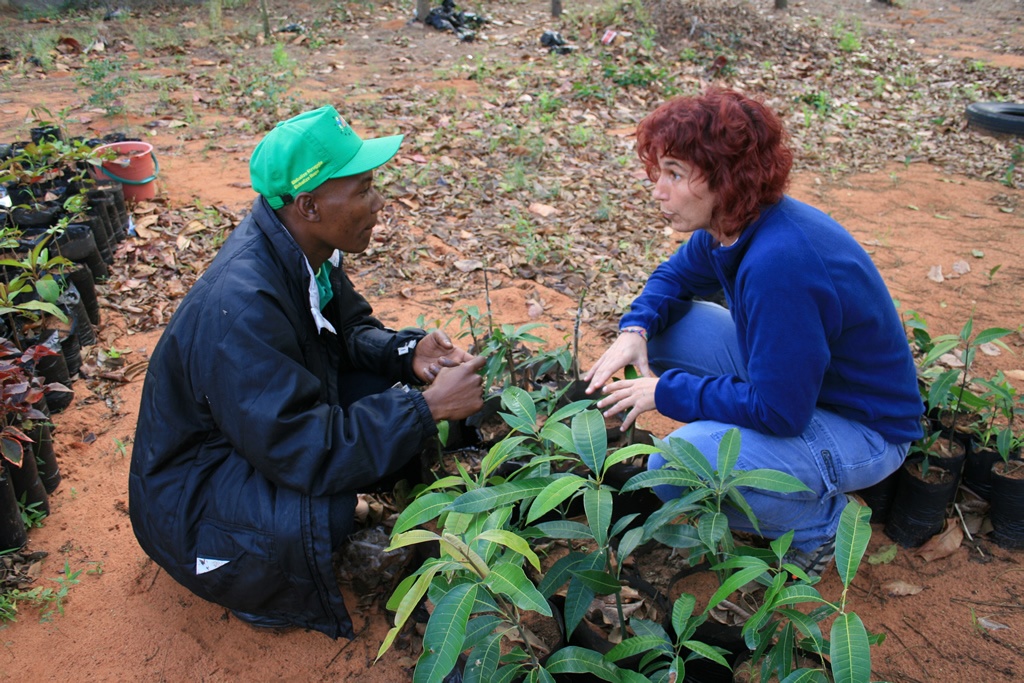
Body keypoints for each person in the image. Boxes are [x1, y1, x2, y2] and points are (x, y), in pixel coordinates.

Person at [129, 105, 486, 638]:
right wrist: (427, 407)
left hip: (245, 439)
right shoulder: (244, 306)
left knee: (390, 389)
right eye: (364, 189)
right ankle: (251, 582)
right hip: (190, 506)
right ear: (310, 205)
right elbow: (303, 448)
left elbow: (348, 329)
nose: (379, 203)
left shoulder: (304, 251)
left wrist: (407, 355)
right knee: (328, 512)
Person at [584, 88, 923, 576]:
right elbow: (674, 277)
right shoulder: (734, 224)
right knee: (660, 332)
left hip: (864, 427)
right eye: (659, 171)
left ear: (725, 178)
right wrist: (634, 328)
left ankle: (821, 526)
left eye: (675, 174)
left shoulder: (778, 264)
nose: (658, 190)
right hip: (808, 385)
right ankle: (765, 464)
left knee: (677, 466)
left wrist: (666, 392)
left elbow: (780, 411)